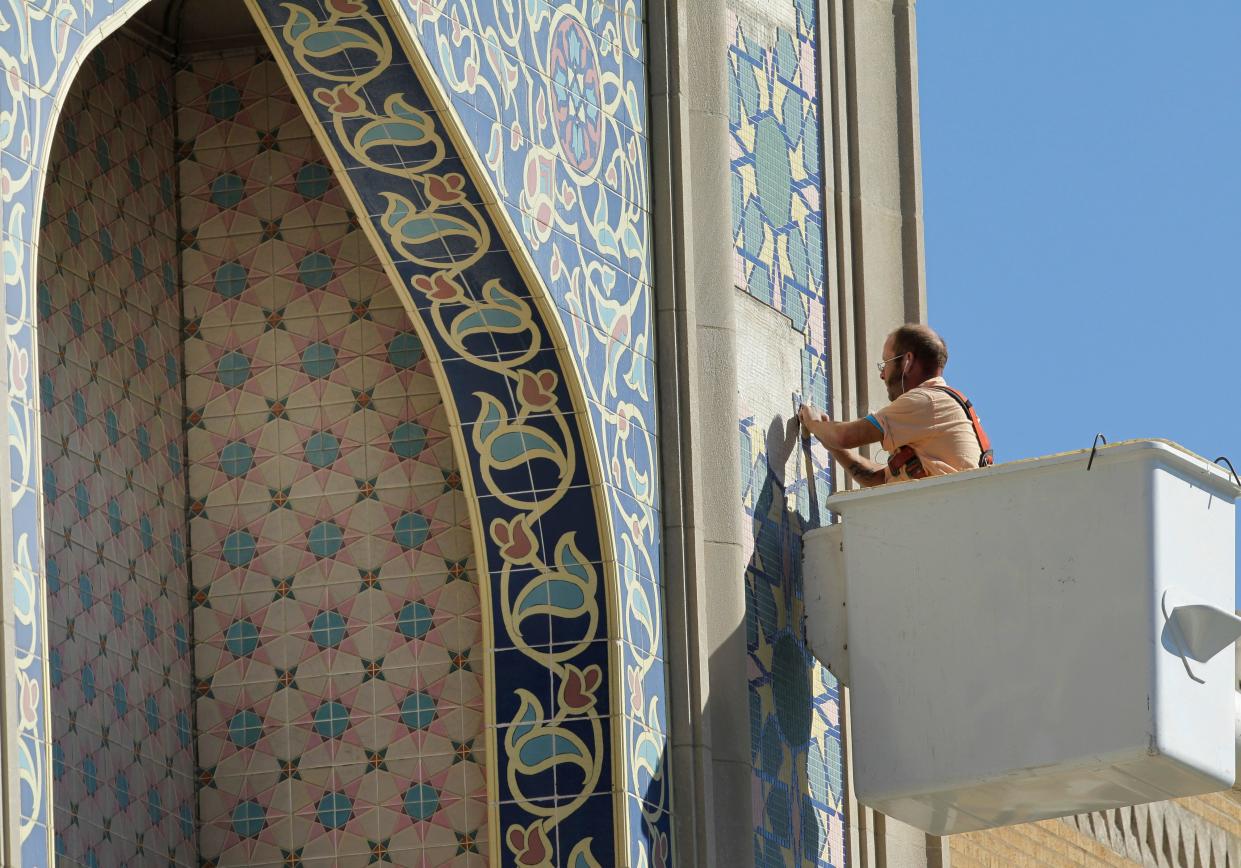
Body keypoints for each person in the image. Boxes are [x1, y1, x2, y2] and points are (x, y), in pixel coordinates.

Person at [798, 323, 993, 487]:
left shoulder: (925, 401)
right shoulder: (937, 406)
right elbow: (880, 479)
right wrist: (830, 443)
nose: (883, 374)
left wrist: (814, 423)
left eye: (886, 363)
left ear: (907, 361)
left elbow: (844, 436)